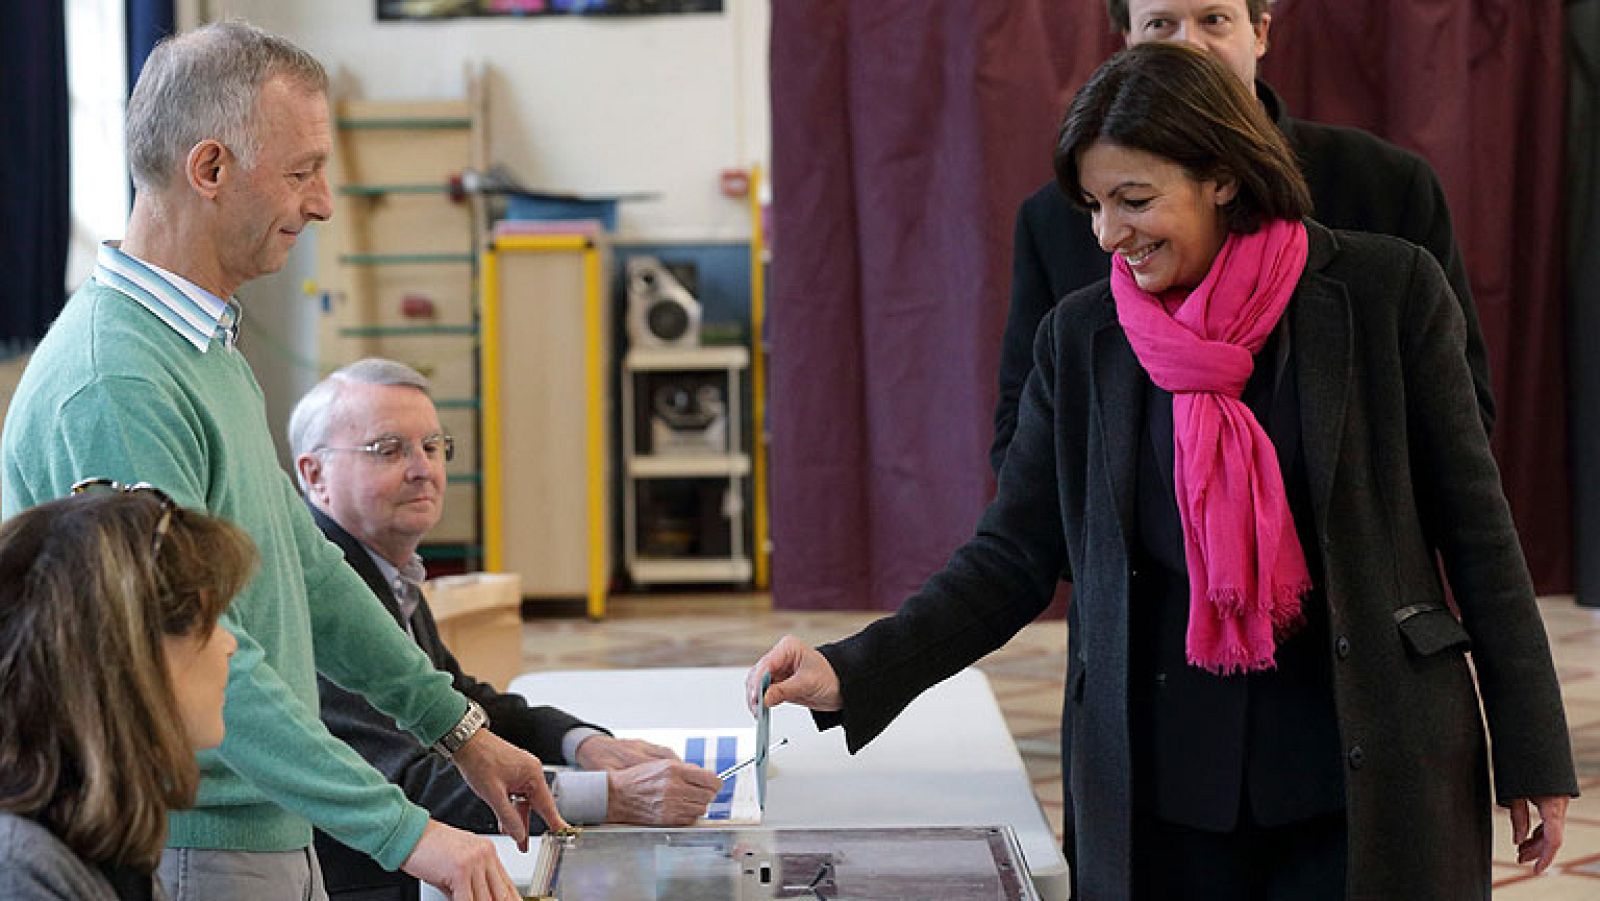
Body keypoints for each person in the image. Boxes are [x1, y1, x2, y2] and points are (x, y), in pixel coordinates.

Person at [749, 43, 1576, 901]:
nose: (1109, 234)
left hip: (1369, 774)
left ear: (1222, 176)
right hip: (1163, 793)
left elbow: (1479, 535)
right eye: (1096, 206)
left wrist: (1534, 750)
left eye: (1134, 200)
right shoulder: (1084, 339)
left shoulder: (1386, 292)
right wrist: (855, 668)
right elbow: (1011, 557)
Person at [0, 21, 564, 901]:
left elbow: (304, 566)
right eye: (301, 171)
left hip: (265, 827)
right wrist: (408, 832)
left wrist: (459, 728)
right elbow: (184, 641)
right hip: (195, 842)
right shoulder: (115, 379)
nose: (324, 202)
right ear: (211, 169)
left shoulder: (204, 343)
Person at [992, 0, 1493, 474]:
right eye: (1159, 26)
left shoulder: (1386, 186)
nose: (1189, 47)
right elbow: (1023, 446)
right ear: (1126, 41)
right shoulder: (1056, 219)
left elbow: (1458, 418)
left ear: (1260, 32)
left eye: (1214, 20)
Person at [287, 359, 722, 900]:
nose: (423, 468)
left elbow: (461, 703)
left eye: (432, 446)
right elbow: (408, 783)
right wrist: (608, 797)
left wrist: (581, 744)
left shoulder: (381, 566)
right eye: (389, 449)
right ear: (313, 475)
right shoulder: (319, 589)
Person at [0, 484, 254, 900]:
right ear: (124, 653)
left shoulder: (108, 840)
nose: (228, 644)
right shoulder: (18, 869)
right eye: (202, 623)